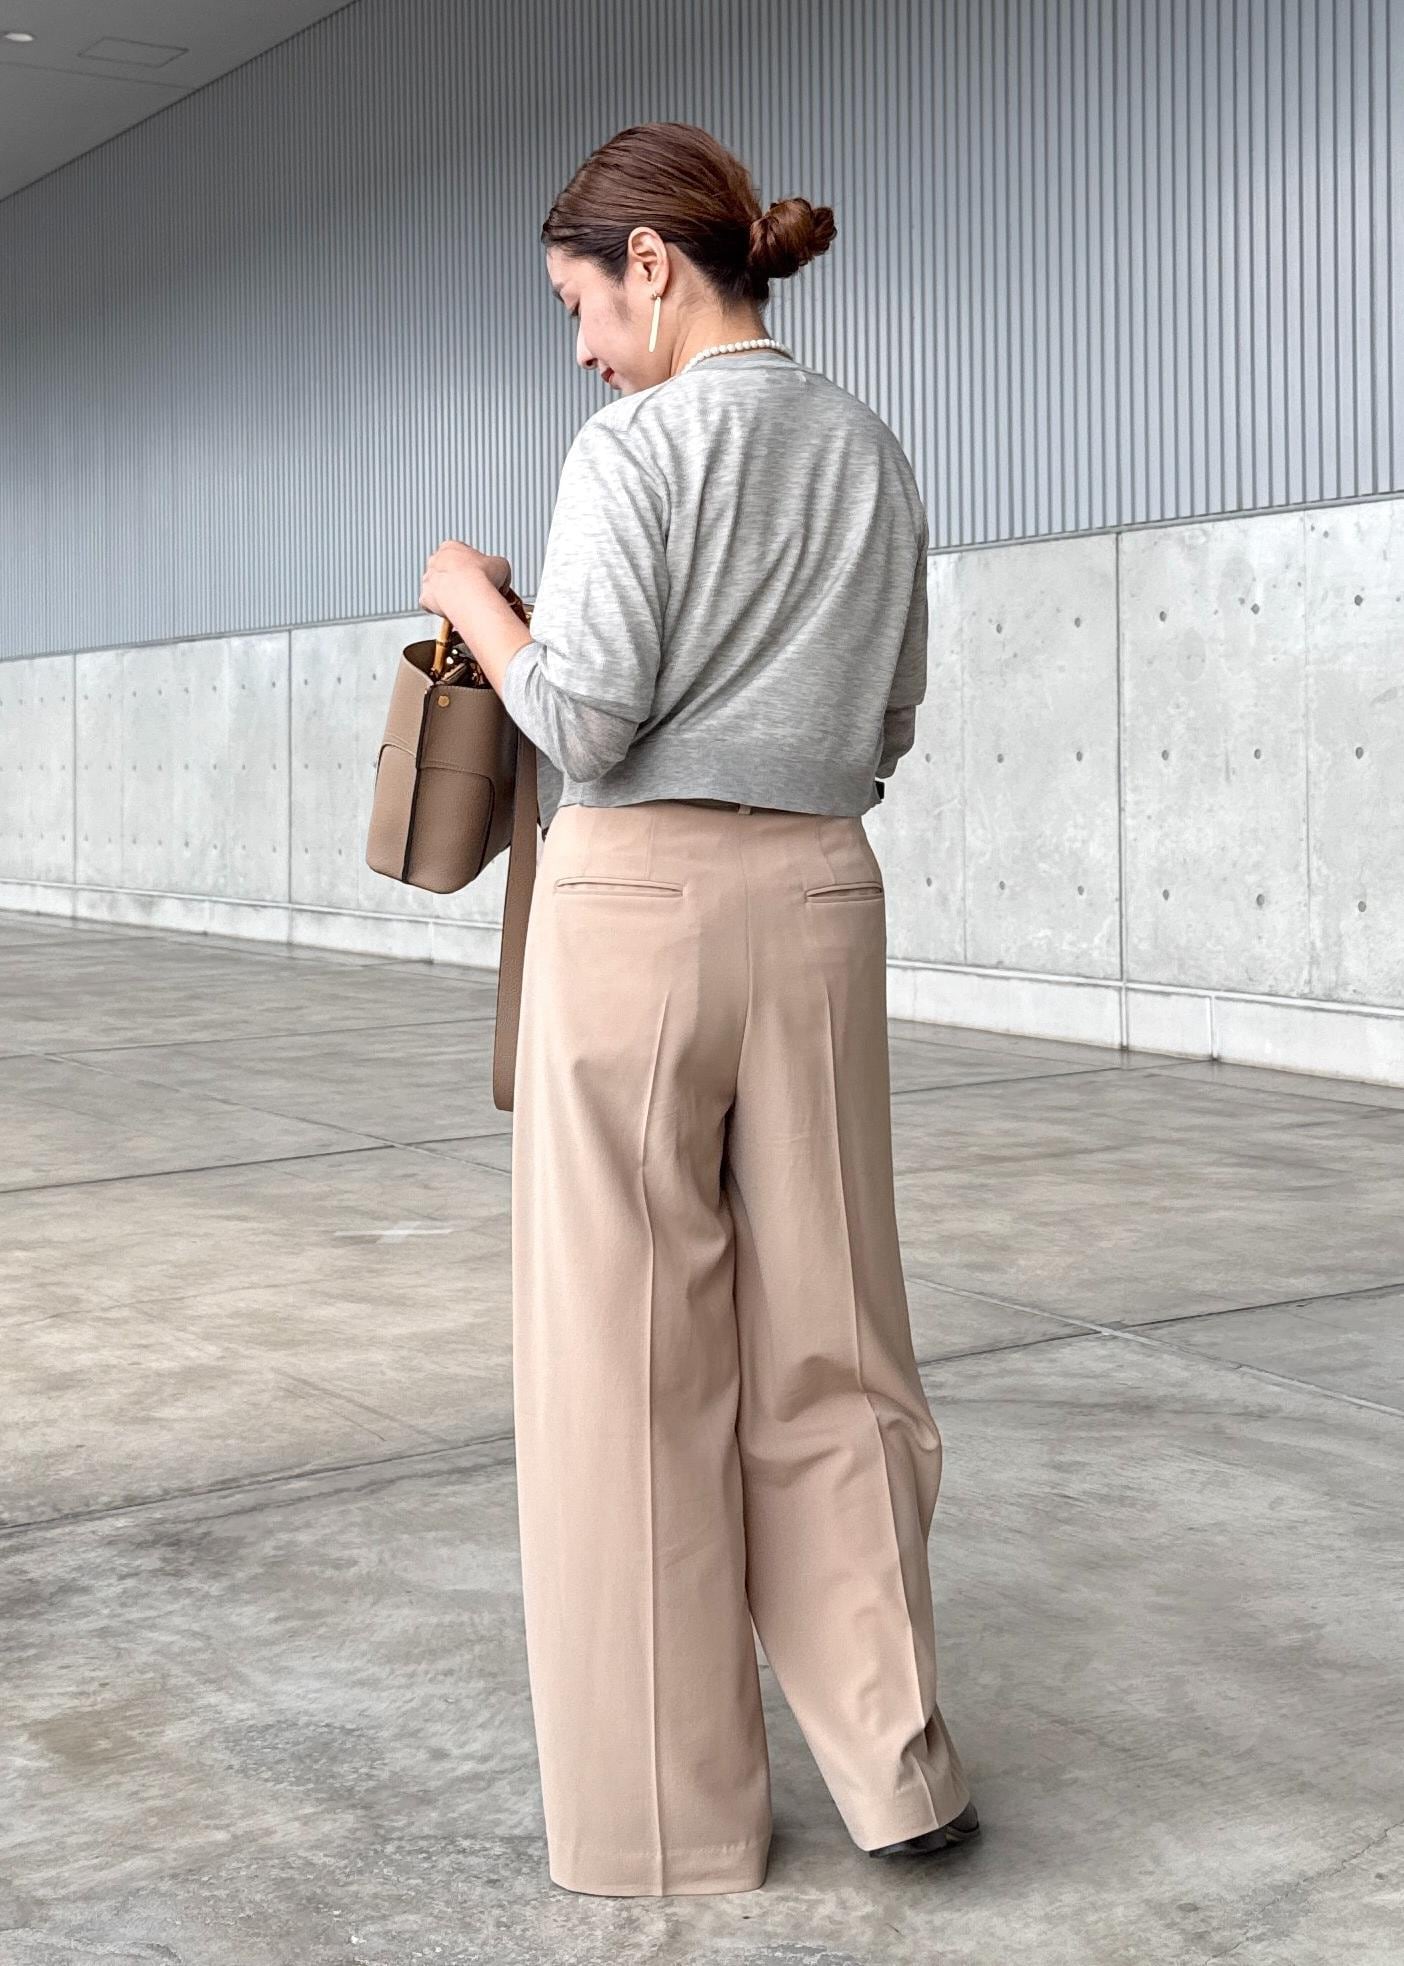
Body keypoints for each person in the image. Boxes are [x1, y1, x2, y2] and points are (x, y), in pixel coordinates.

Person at [418, 120, 979, 1900]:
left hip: (635, 914)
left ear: (652, 266)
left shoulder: (635, 447)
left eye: (580, 303)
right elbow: (890, 719)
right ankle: (897, 1766)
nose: (582, 348)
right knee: (838, 1342)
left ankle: (671, 1819)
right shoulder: (870, 447)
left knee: (630, 1361)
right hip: (819, 900)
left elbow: (582, 715)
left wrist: (471, 600)